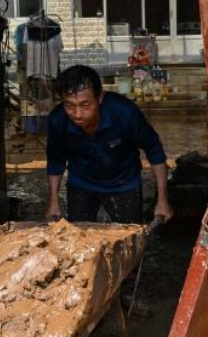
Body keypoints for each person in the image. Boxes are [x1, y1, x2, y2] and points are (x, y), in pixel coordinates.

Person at [46, 65, 174, 225]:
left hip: (124, 183)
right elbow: (55, 161)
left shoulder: (125, 113)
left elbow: (154, 151)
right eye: (70, 105)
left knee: (129, 238)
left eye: (85, 105)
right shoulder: (58, 120)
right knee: (78, 238)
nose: (77, 114)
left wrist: (162, 199)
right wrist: (53, 201)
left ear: (100, 98)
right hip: (81, 182)